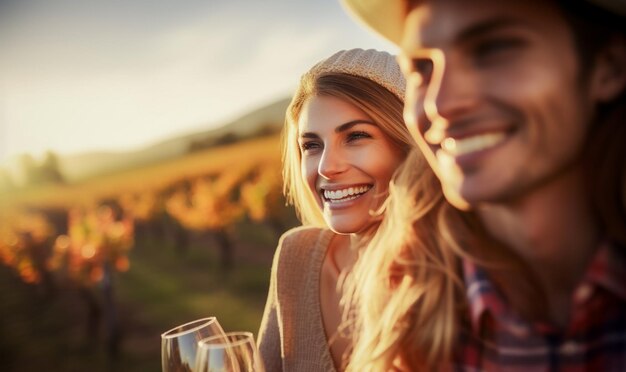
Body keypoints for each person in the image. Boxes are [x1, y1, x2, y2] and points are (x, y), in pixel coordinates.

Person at [340, 0, 626, 370]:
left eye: (492, 49)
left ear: (609, 67)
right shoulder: (410, 313)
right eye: (421, 69)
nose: (442, 103)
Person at [256, 48, 428, 371]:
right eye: (311, 145)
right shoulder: (296, 257)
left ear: (410, 146)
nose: (326, 167)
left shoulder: (451, 278)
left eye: (356, 136)